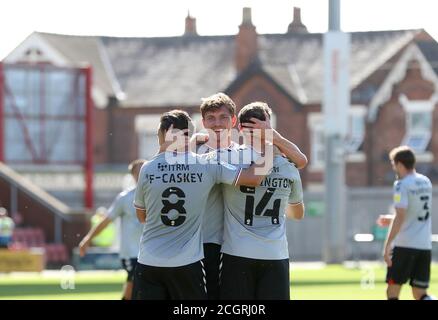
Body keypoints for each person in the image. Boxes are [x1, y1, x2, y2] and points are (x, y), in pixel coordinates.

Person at [132, 109, 272, 300]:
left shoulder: (147, 168)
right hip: (187, 263)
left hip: (148, 262)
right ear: (189, 135)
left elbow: (142, 217)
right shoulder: (207, 164)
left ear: (161, 135)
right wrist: (270, 146)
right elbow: (254, 178)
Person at [196, 92, 307, 299]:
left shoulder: (227, 158)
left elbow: (251, 177)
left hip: (236, 252)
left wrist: (192, 141)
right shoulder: (288, 165)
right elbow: (298, 212)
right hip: (276, 254)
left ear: (238, 126)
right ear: (269, 127)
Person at [79, 159, 146, 300]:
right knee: (135, 283)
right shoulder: (125, 198)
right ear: (133, 175)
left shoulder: (155, 195)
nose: (141, 173)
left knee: (141, 286)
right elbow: (106, 221)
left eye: (144, 170)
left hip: (149, 251)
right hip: (131, 252)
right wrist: (87, 239)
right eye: (138, 171)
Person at [380, 146, 435, 300]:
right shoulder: (426, 182)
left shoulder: (401, 184)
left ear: (399, 164)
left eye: (393, 164)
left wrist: (388, 245)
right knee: (420, 294)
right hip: (424, 246)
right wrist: (391, 219)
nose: (393, 168)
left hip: (405, 246)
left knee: (392, 292)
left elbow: (401, 215)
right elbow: (414, 213)